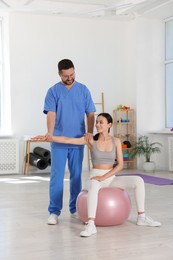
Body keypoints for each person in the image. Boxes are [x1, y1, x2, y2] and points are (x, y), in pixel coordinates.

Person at [32, 112, 161, 237]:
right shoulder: (90, 140)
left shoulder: (116, 141)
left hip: (110, 177)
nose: (97, 125)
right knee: (94, 184)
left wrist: (104, 177)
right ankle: (91, 224)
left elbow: (120, 165)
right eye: (97, 122)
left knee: (138, 180)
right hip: (95, 177)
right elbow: (68, 140)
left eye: (101, 122)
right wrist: (49, 137)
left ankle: (142, 217)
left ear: (109, 125)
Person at [43, 59, 96, 225]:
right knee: (57, 177)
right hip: (59, 141)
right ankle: (54, 212)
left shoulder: (83, 90)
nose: (69, 78)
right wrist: (50, 133)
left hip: (77, 141)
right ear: (59, 74)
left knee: (76, 176)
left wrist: (89, 132)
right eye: (66, 76)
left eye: (72, 74)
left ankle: (74, 209)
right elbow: (51, 114)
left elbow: (91, 114)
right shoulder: (53, 91)